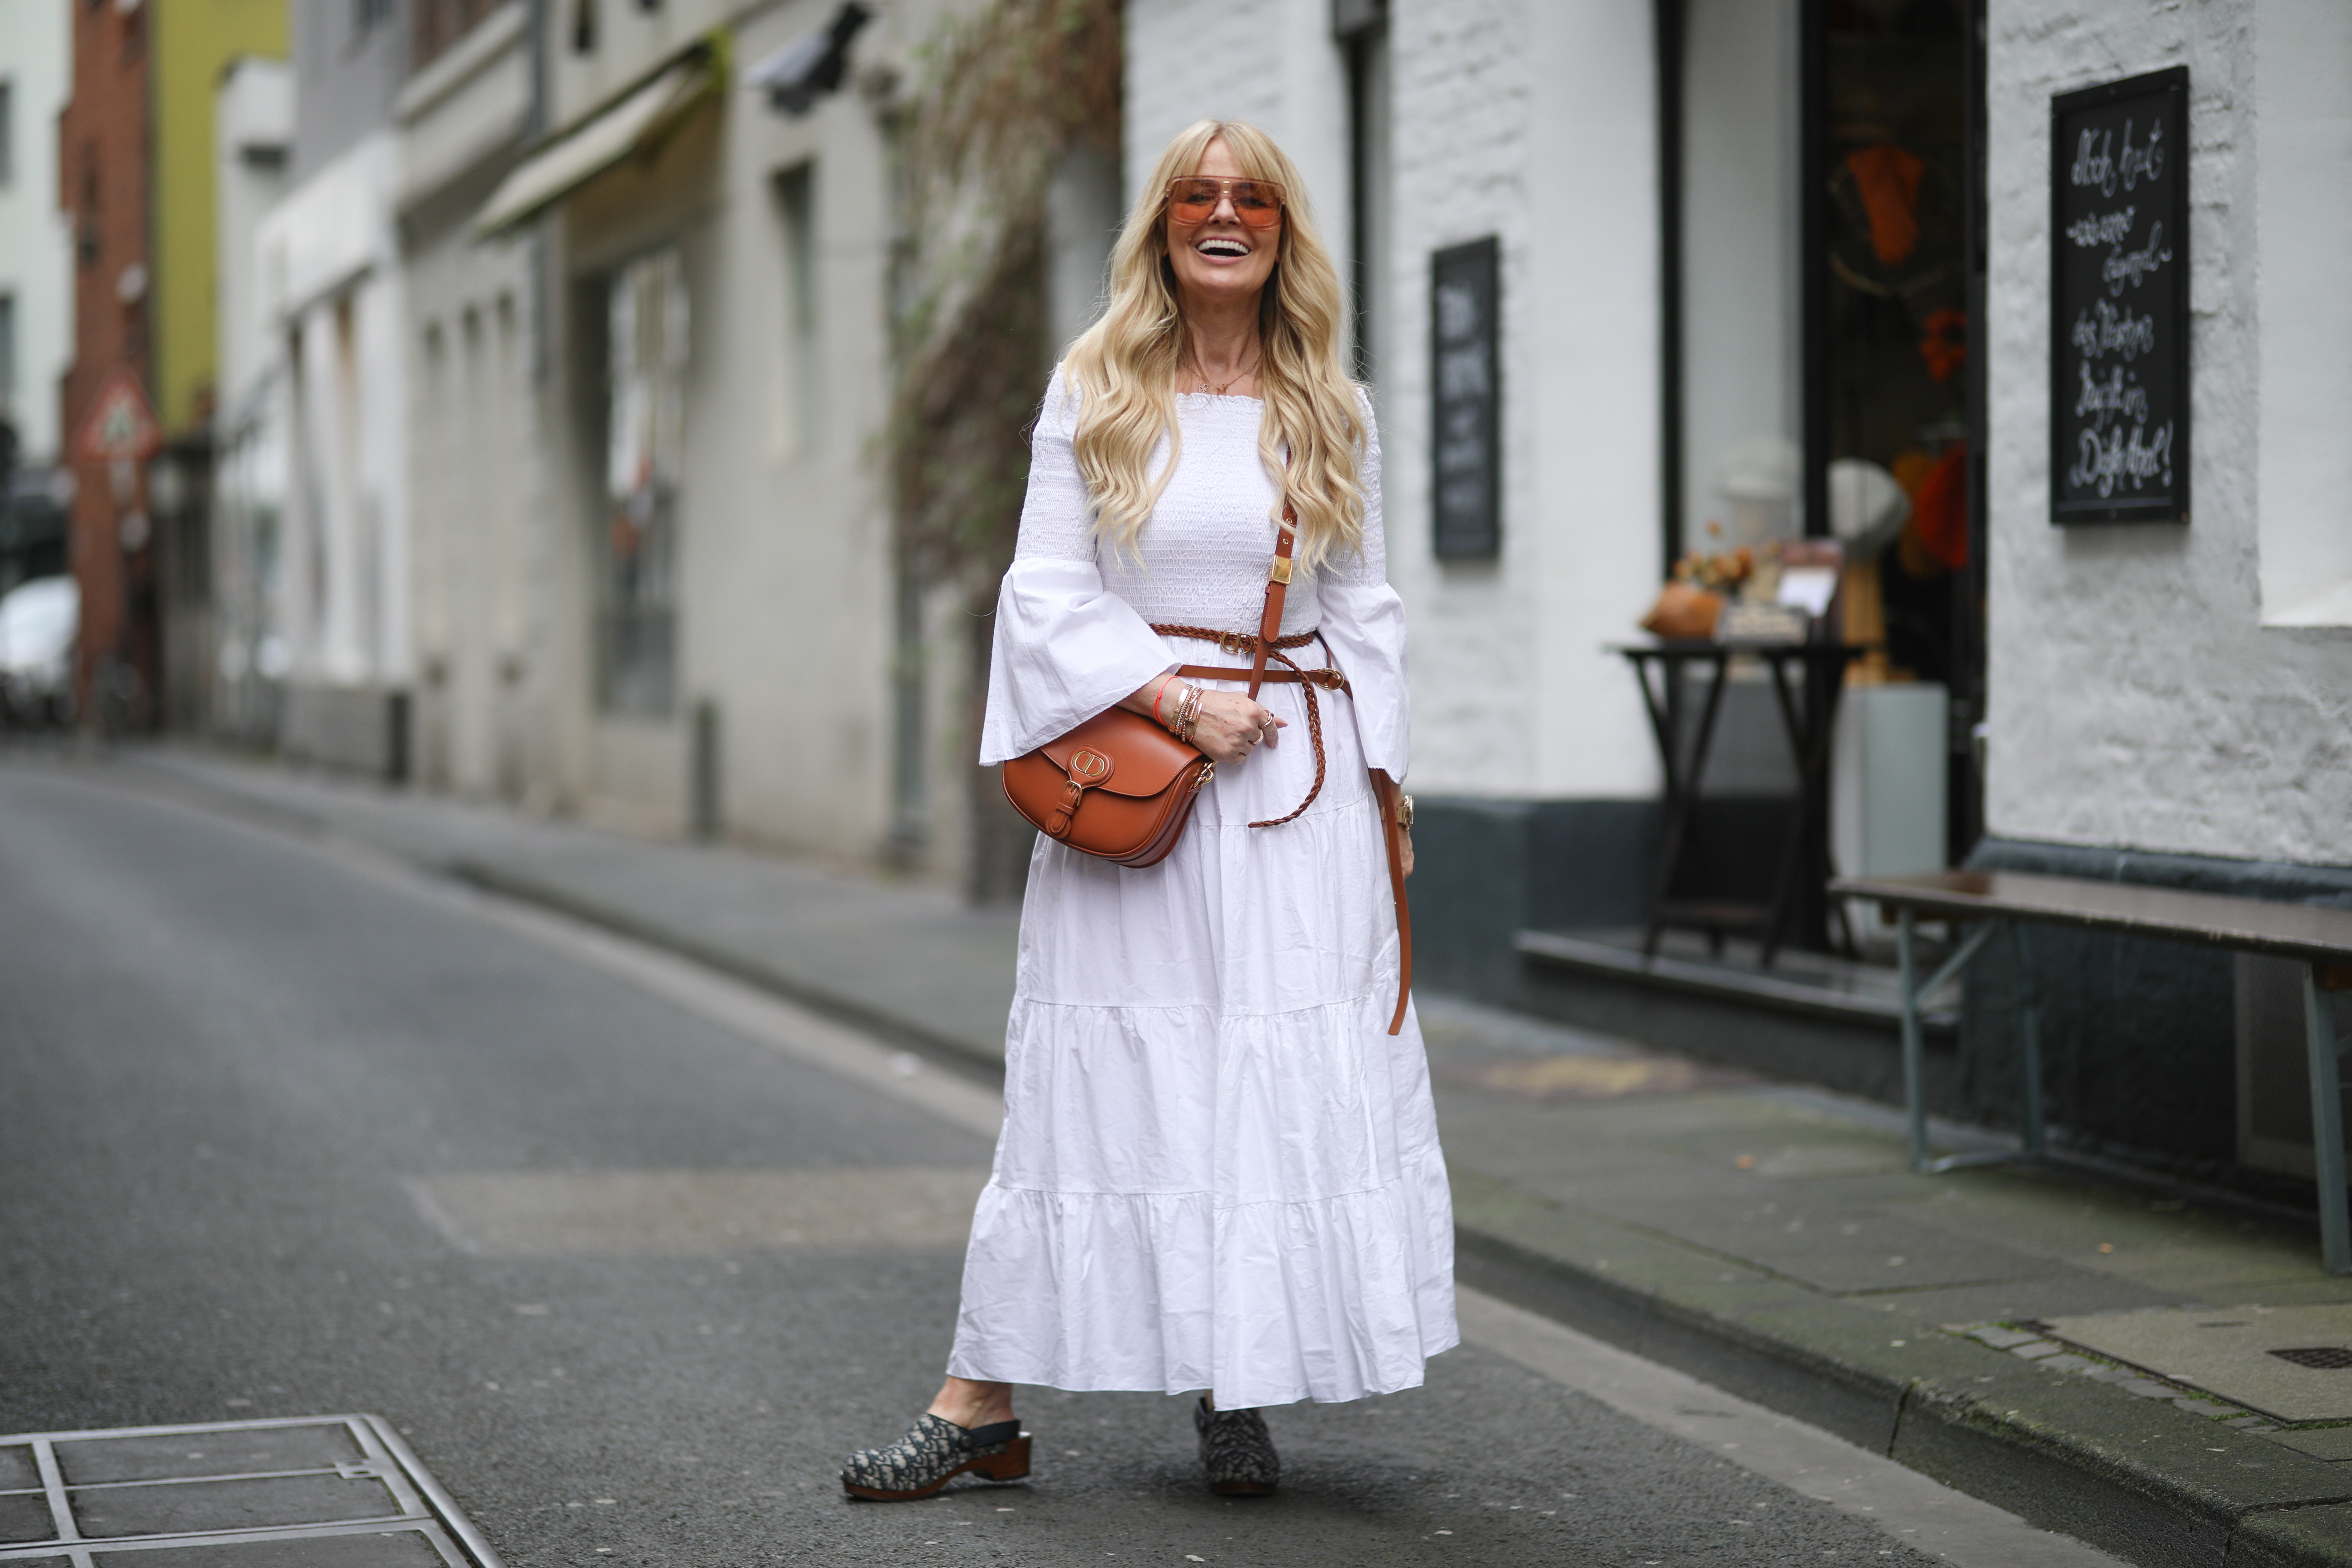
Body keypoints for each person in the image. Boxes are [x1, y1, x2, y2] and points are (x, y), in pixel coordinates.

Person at [840, 118, 1455, 1503]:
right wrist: (1177, 699)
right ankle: (977, 1397)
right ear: (1163, 225)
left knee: (1264, 1080)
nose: (1223, 213)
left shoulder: (1330, 405)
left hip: (1302, 802)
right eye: (1197, 195)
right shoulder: (1098, 383)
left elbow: (1362, 606)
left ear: (1282, 229)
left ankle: (1232, 1382)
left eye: (1249, 197)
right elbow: (1042, 593)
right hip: (1150, 789)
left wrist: (1386, 779)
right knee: (1097, 1090)